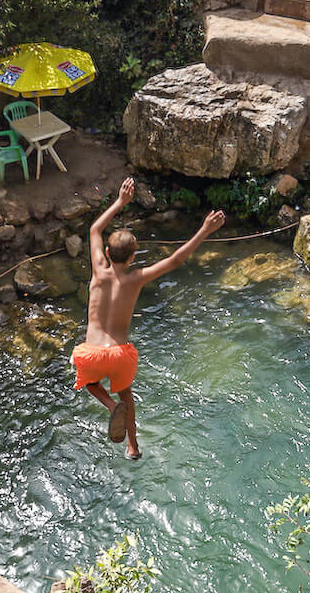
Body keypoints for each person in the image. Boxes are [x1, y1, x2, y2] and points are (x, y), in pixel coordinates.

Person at [73, 177, 225, 460]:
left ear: (107, 253)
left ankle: (108, 405)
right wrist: (204, 229)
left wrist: (120, 201)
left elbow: (94, 229)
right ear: (133, 258)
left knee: (90, 383)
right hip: (120, 354)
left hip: (91, 353)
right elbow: (176, 260)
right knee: (127, 398)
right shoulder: (137, 278)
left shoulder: (98, 271)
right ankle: (133, 447)